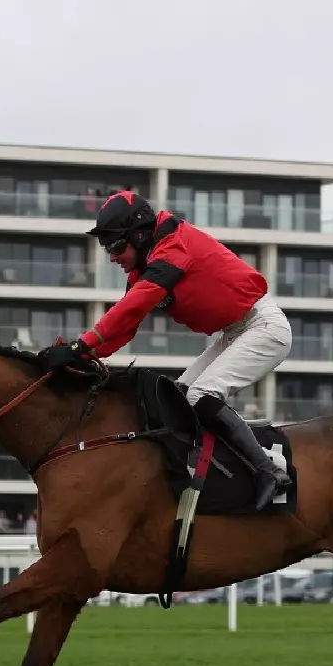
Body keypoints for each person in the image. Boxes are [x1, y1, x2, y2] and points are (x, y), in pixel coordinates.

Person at [42, 190, 293, 511]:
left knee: (200, 397)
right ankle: (212, 477)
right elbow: (126, 324)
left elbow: (135, 304)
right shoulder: (146, 267)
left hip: (263, 328)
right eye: (106, 247)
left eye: (116, 245)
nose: (111, 256)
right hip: (236, 331)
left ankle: (269, 470)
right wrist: (82, 356)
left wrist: (81, 344)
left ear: (141, 235)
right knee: (179, 398)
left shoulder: (173, 247)